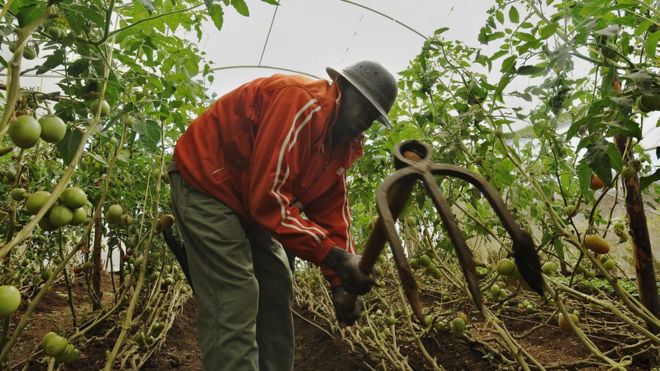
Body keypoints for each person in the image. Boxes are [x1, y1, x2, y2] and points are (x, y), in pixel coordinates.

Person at [167, 60, 398, 371]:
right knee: (236, 294)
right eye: (365, 106)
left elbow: (332, 210)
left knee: (276, 284)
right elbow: (268, 200)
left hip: (246, 201)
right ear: (343, 88)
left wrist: (340, 281)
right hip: (206, 183)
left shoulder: (343, 143)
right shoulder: (302, 104)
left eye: (374, 116)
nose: (366, 119)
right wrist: (336, 259)